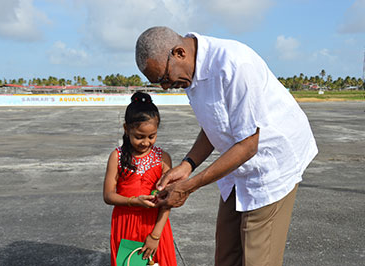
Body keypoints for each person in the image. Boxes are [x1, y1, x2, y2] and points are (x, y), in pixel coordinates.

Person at [135, 26, 318, 266]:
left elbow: (249, 144)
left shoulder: (233, 65)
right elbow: (216, 124)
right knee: (226, 255)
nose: (166, 87)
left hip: (271, 165)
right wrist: (188, 165)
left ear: (179, 53)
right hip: (237, 167)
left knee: (257, 259)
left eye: (164, 79)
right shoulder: (189, 75)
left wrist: (190, 187)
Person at [103, 92, 177, 266]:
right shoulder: (117, 156)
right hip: (125, 222)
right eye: (139, 137)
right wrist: (134, 201)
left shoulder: (163, 158)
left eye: (152, 136)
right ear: (126, 129)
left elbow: (169, 201)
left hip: (154, 225)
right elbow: (108, 196)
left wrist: (155, 236)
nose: (145, 142)